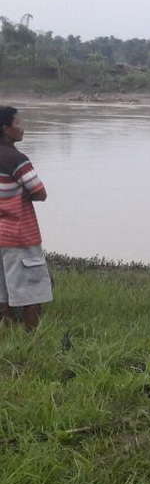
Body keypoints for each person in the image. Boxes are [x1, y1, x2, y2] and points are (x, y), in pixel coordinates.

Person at [0, 106, 52, 331]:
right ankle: (32, 338)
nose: (22, 128)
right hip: (19, 234)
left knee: (2, 292)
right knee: (32, 290)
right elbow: (40, 192)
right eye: (18, 123)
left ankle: (8, 334)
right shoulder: (17, 159)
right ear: (6, 129)